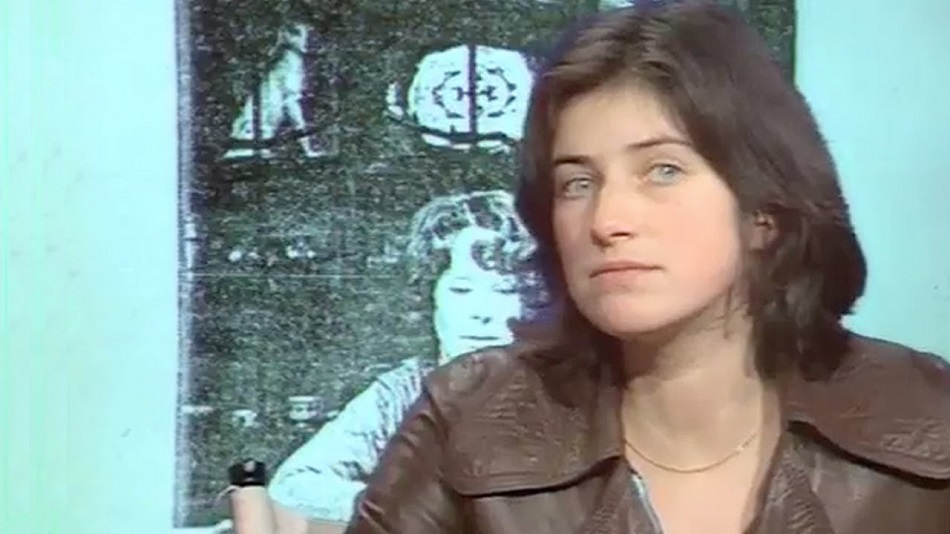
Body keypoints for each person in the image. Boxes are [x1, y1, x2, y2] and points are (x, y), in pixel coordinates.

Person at [344, 2, 950, 534]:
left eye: (663, 171)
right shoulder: (466, 418)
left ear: (763, 213)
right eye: (578, 183)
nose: (607, 221)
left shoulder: (928, 415)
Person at [266, 190, 546, 529]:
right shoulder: (402, 392)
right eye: (460, 289)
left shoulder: (563, 388)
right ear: (431, 297)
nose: (480, 312)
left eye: (503, 290)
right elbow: (293, 484)